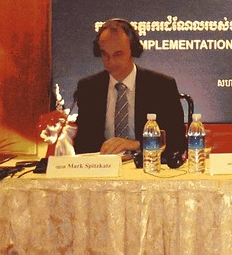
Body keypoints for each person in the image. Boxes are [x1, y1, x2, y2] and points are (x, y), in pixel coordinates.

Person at [73, 18, 187, 167]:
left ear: (133, 51)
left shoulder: (161, 86)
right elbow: (82, 144)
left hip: (148, 168)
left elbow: (177, 141)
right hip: (103, 170)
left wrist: (136, 144)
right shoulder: (89, 88)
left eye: (118, 54)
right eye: (104, 54)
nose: (110, 62)